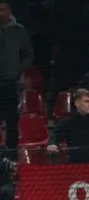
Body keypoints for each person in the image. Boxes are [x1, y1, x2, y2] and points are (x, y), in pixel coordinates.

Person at [0, 0, 34, 158]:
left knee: (12, 122)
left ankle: (12, 158)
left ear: (9, 11)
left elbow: (29, 54)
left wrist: (18, 69)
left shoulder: (19, 30)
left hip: (10, 83)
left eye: (2, 9)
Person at [47, 89, 89, 164]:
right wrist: (52, 144)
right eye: (86, 101)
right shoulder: (68, 121)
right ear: (77, 104)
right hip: (76, 161)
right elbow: (55, 135)